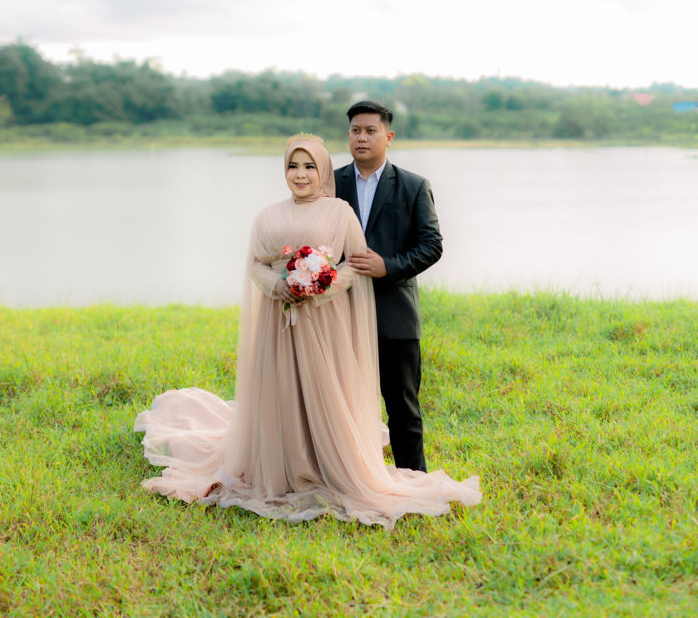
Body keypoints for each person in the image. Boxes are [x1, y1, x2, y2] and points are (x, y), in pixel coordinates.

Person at [134, 134, 479, 528]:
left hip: (324, 320)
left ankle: (326, 464)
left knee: (323, 389)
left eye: (309, 166)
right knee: (281, 388)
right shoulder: (268, 216)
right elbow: (256, 264)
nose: (300, 174)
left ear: (323, 171)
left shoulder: (339, 212)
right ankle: (282, 466)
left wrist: (319, 285)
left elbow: (354, 264)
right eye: (292, 166)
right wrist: (277, 284)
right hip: (278, 321)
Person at [334, 100, 441, 472]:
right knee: (340, 406)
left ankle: (416, 483)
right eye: (355, 131)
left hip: (394, 316)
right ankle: (348, 478)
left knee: (403, 410)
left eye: (370, 131)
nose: (361, 138)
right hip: (339, 313)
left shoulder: (413, 186)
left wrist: (387, 266)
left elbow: (431, 245)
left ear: (389, 136)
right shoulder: (330, 183)